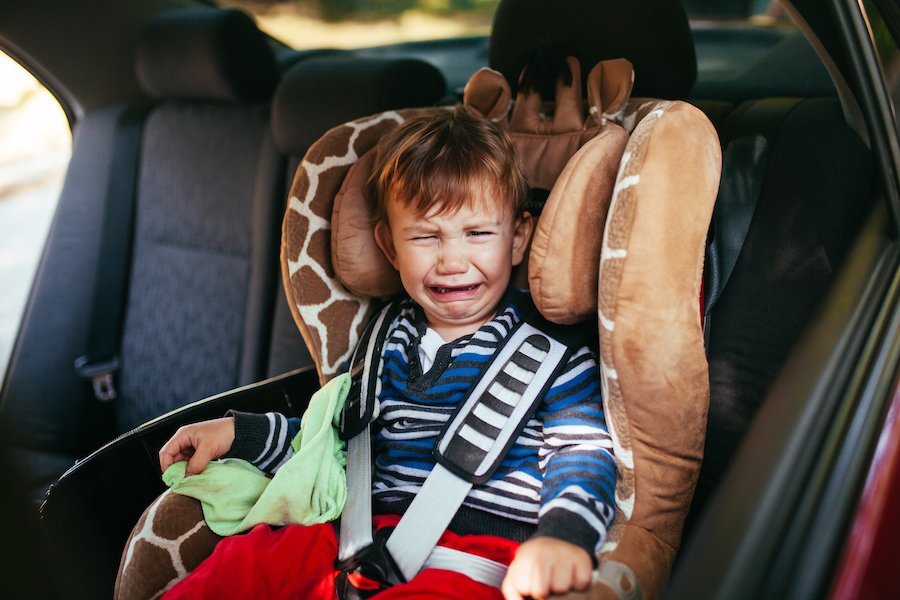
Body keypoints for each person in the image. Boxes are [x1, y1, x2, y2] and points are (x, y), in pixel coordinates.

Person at [157, 106, 616, 600]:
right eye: (425, 237)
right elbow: (332, 441)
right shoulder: (384, 337)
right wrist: (239, 433)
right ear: (390, 248)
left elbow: (581, 451)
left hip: (476, 558)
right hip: (351, 542)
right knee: (239, 566)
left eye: (478, 233)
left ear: (519, 238)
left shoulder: (552, 351)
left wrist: (563, 537)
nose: (453, 261)